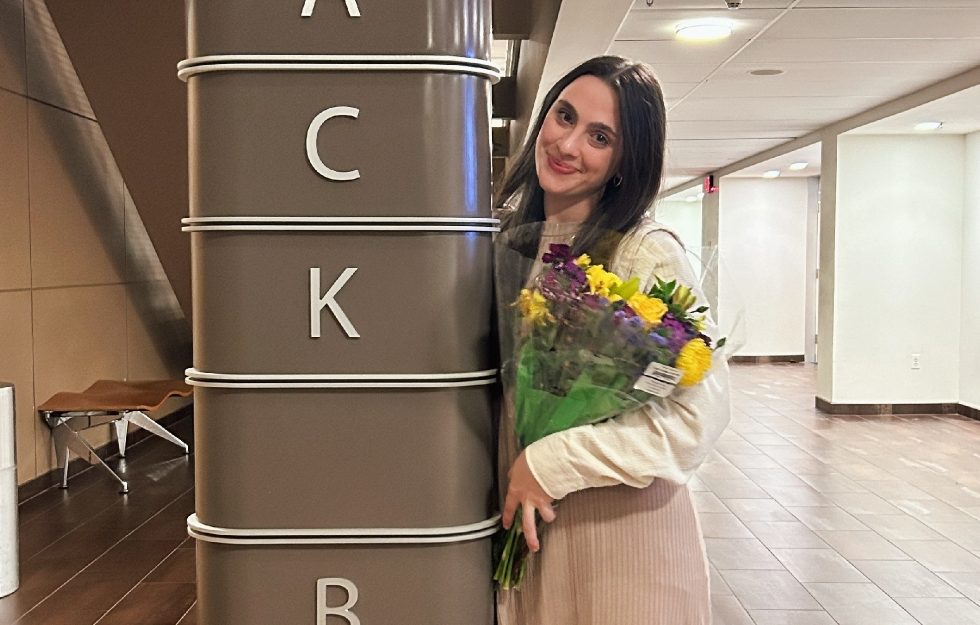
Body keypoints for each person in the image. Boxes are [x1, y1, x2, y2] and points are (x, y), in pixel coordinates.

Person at [494, 55, 732, 625]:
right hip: (535, 527)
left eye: (599, 136)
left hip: (624, 536)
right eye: (564, 116)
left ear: (625, 161)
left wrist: (552, 460)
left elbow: (696, 420)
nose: (567, 144)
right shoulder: (509, 242)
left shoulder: (644, 253)